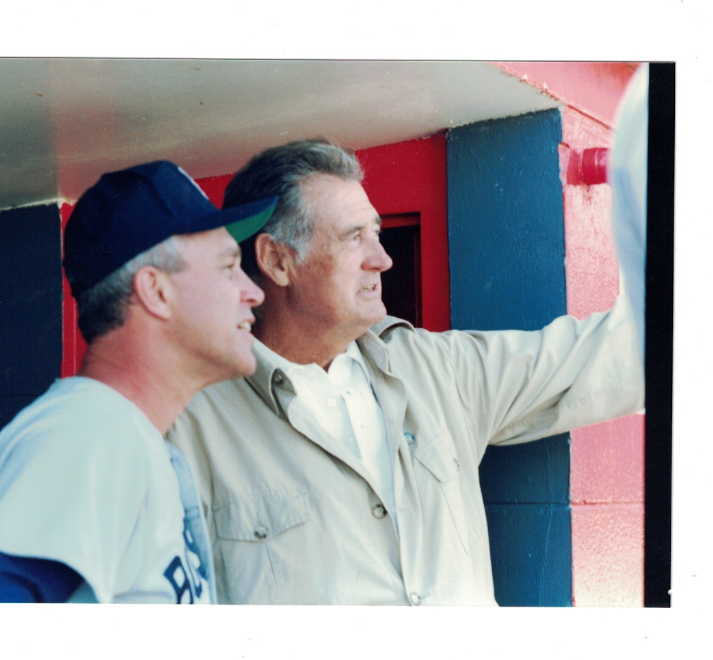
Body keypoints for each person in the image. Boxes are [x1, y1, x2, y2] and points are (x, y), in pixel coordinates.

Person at [167, 139, 644, 606]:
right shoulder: (189, 422)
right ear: (277, 260)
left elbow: (611, 355)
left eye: (375, 233)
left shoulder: (439, 372)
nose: (383, 258)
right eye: (354, 237)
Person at [0, 160, 276, 603]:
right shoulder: (87, 433)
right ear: (156, 291)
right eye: (228, 267)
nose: (254, 291)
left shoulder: (124, 436)